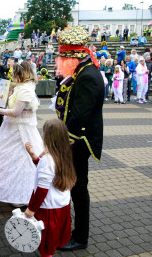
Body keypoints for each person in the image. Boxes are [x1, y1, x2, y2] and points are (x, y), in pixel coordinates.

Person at [54, 26, 104, 251]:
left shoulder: (88, 76)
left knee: (78, 189)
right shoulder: (81, 72)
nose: (60, 62)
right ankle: (71, 230)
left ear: (74, 56)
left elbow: (80, 115)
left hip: (79, 141)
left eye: (63, 57)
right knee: (74, 187)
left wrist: (60, 140)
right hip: (73, 139)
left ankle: (80, 237)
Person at [0, 61, 44, 206]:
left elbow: (16, 112)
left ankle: (23, 194)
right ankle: (13, 190)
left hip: (21, 130)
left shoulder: (25, 90)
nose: (12, 75)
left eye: (14, 72)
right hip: (13, 128)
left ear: (21, 73)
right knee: (11, 160)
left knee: (22, 161)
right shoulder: (22, 87)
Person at [24, 119, 76, 257]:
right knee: (53, 241)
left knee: (46, 246)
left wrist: (31, 209)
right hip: (62, 206)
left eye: (44, 132)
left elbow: (42, 190)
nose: (42, 135)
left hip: (48, 210)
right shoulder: (63, 154)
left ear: (48, 137)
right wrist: (34, 156)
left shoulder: (48, 160)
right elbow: (49, 172)